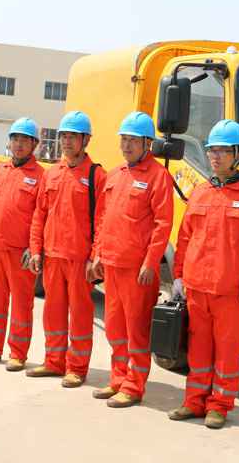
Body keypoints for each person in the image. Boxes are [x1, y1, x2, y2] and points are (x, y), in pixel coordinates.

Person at [168, 119, 239, 429]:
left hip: (229, 290)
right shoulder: (200, 192)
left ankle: (219, 405)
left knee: (226, 351)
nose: (215, 156)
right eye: (212, 150)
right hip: (197, 287)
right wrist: (178, 275)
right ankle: (194, 401)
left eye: (223, 151)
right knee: (198, 349)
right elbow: (185, 237)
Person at [90, 111, 173, 408]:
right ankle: (117, 379)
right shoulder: (115, 175)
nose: (126, 146)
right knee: (115, 328)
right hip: (112, 264)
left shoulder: (158, 177)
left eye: (133, 141)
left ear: (147, 144)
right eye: (123, 139)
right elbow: (103, 218)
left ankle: (134, 386)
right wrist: (98, 254)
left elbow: (163, 224)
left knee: (136, 330)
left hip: (138, 269)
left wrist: (151, 262)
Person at [26, 111, 106, 388]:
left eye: (73, 136)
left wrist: (95, 256)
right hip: (52, 256)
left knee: (81, 315)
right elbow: (40, 214)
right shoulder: (52, 173)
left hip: (79, 259)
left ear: (86, 140)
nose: (67, 141)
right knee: (53, 312)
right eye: (64, 136)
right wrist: (36, 249)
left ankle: (77, 368)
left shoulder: (96, 176)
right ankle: (53, 361)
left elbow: (103, 220)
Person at [0, 118, 44, 372]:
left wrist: (33, 248)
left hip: (20, 253)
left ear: (34, 144)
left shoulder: (40, 176)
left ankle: (17, 353)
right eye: (15, 139)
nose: (19, 144)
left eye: (25, 140)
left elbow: (41, 216)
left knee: (22, 304)